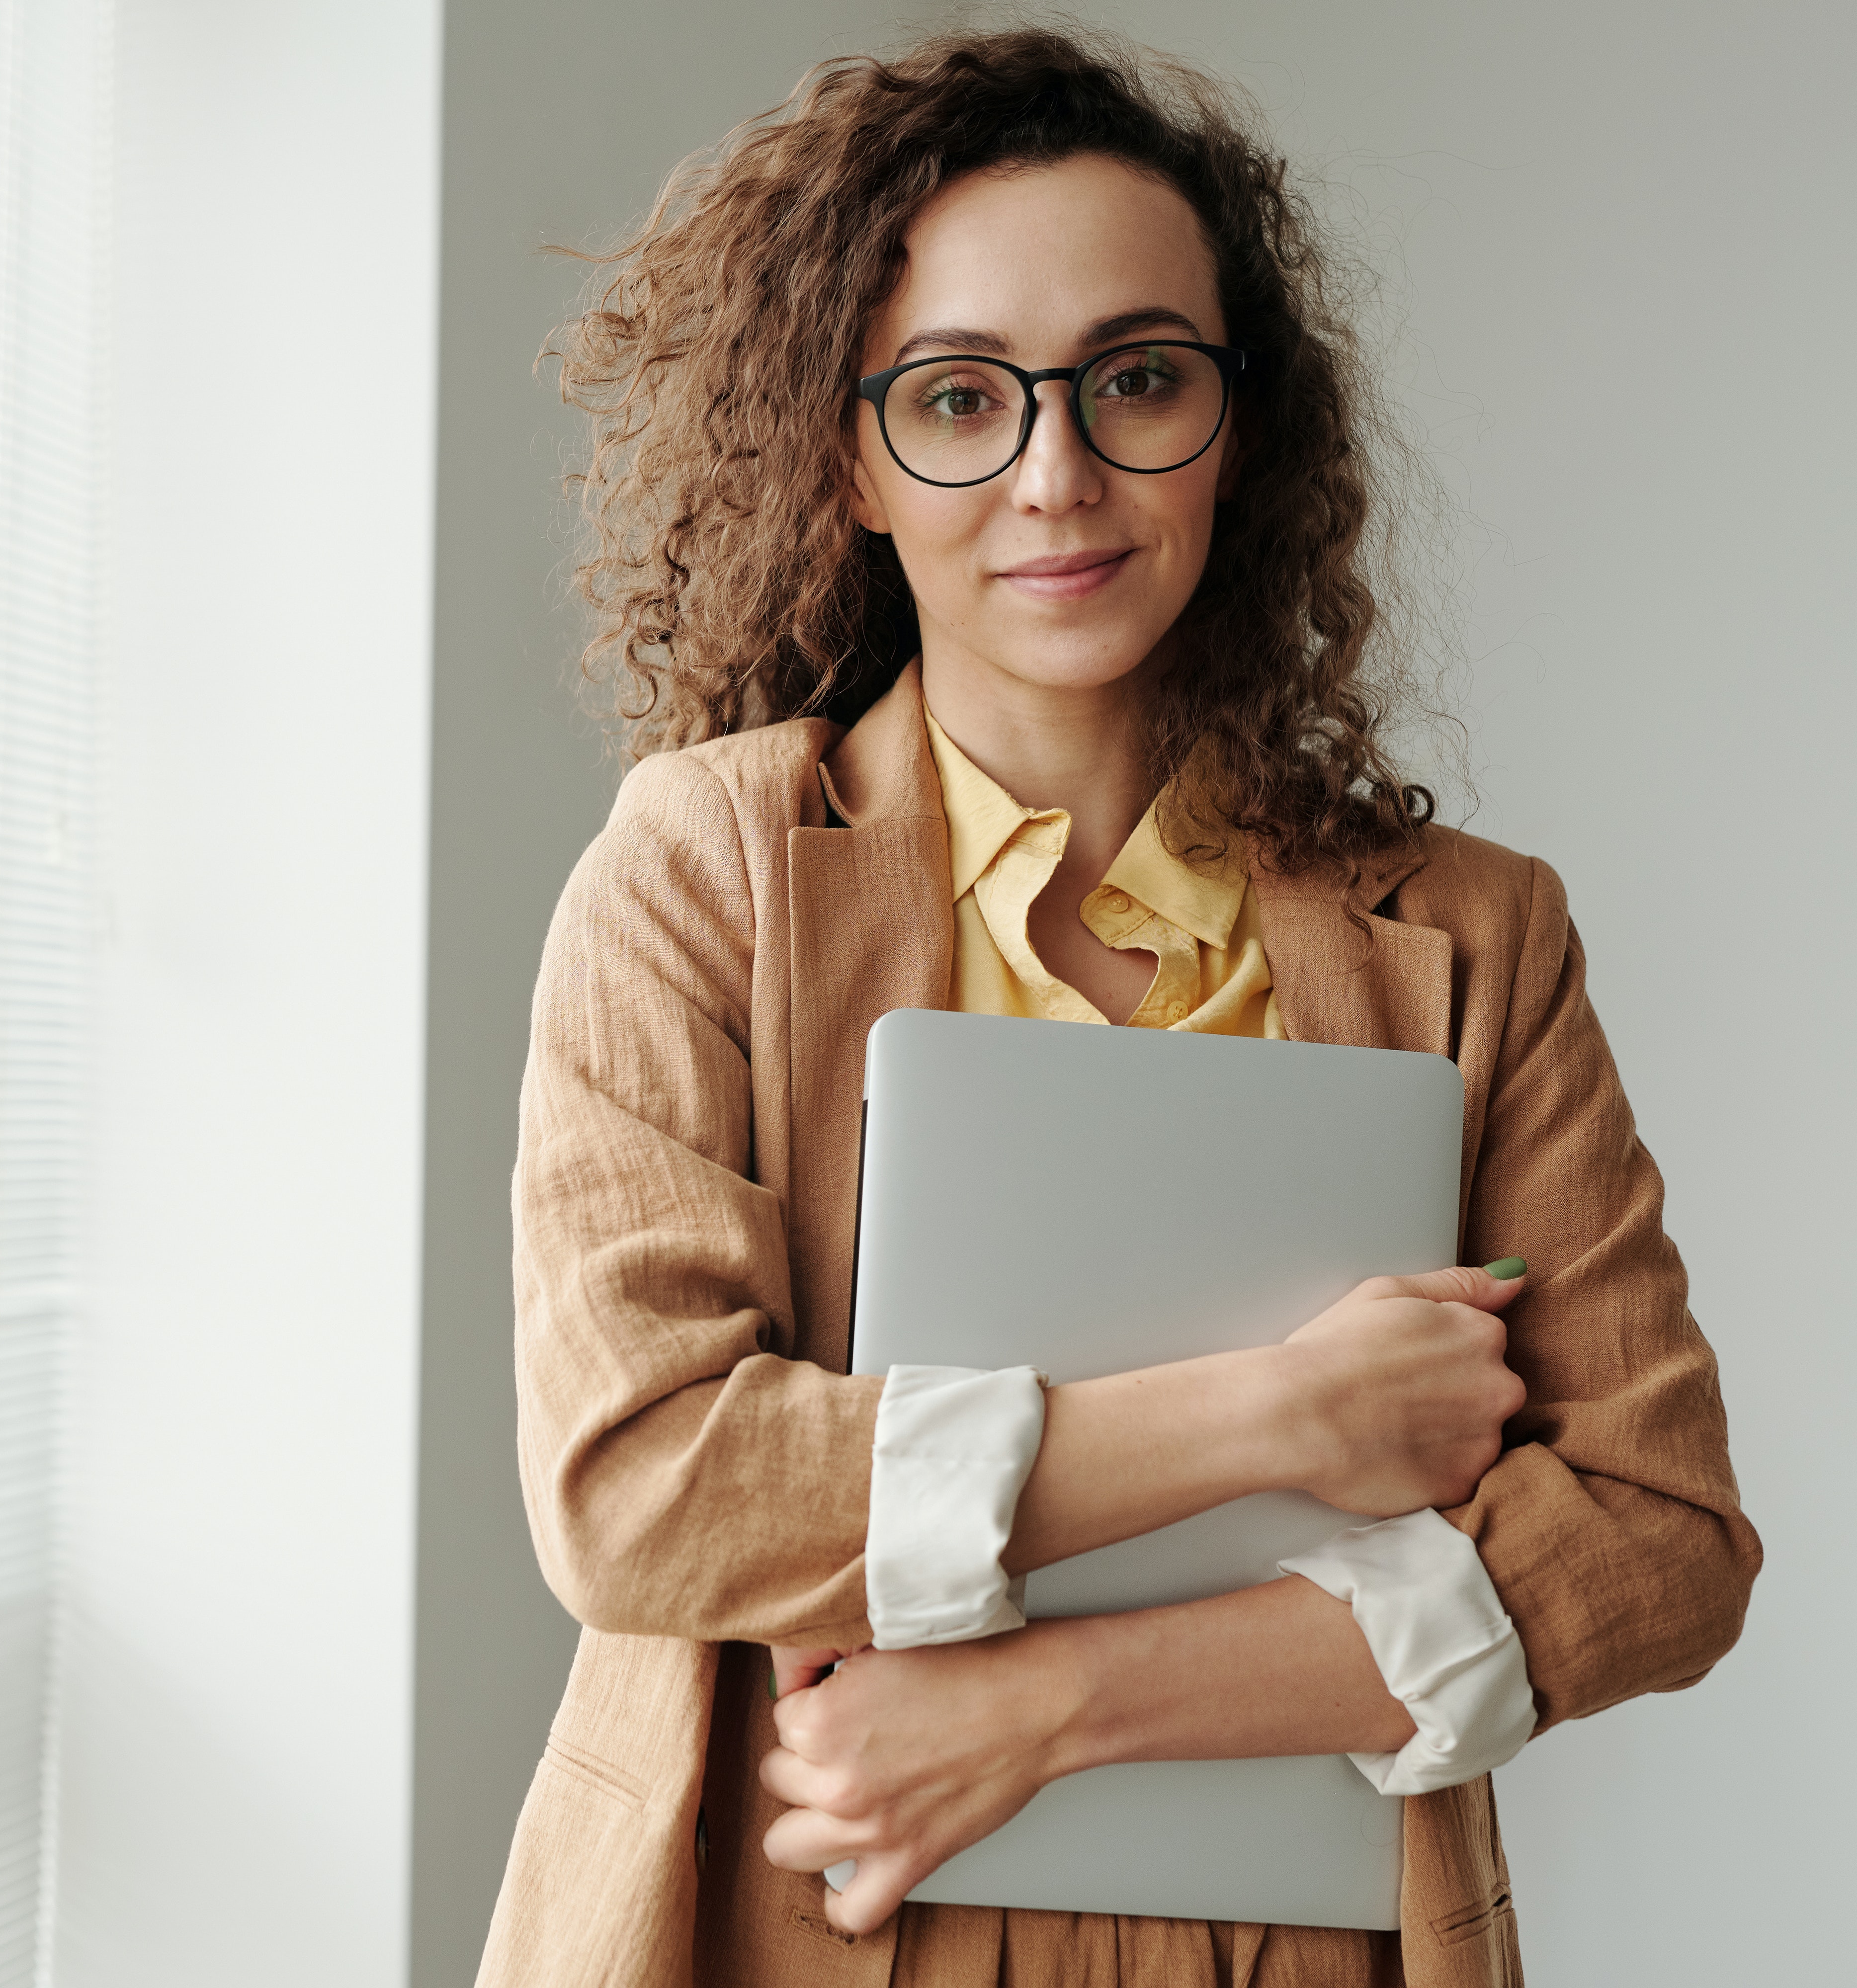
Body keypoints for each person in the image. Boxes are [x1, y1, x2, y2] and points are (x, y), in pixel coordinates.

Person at [484, 28, 1757, 1988]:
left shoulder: (1478, 940)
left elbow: (1658, 1544)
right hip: (779, 1922)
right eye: (961, 398)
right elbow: (644, 1486)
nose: (1056, 475)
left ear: (1238, 426)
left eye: (1138, 380)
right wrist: (1280, 1410)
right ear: (847, 453)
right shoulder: (704, 871)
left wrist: (1043, 1702)